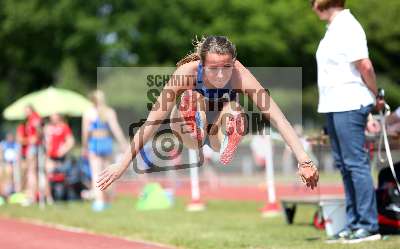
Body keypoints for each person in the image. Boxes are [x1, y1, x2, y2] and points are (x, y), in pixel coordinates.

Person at [97, 35, 319, 193]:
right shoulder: (186, 74)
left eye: (227, 67)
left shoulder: (240, 75)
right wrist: (122, 163)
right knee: (190, 99)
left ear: (233, 62)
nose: (221, 74)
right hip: (186, 131)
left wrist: (304, 160)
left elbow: (277, 117)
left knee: (235, 111)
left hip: (217, 132)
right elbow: (153, 121)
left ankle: (227, 139)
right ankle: (194, 121)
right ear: (201, 64)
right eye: (214, 68)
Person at [311, 0, 381, 242]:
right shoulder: (334, 28)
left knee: (355, 164)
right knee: (344, 165)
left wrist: (375, 94)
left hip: (349, 103)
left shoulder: (349, 26)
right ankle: (353, 223)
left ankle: (368, 225)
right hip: (333, 104)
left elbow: (365, 65)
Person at [82, 90, 128, 211]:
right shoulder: (109, 112)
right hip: (107, 142)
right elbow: (116, 129)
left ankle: (99, 201)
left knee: (96, 173)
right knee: (108, 172)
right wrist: (123, 143)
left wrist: (84, 147)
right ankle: (108, 199)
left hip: (95, 143)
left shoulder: (89, 112)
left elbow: (85, 132)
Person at [44, 113, 75, 203]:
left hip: (61, 157)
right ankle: (49, 197)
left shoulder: (64, 127)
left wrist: (64, 149)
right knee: (48, 175)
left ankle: (65, 196)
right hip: (50, 157)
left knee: (64, 176)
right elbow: (45, 142)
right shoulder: (48, 128)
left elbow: (71, 141)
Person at [24, 105, 42, 205]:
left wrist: (36, 138)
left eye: (26, 110)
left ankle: (32, 196)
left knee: (31, 172)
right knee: (31, 172)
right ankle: (32, 195)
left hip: (34, 146)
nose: (25, 113)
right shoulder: (31, 119)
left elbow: (39, 130)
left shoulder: (34, 118)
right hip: (32, 146)